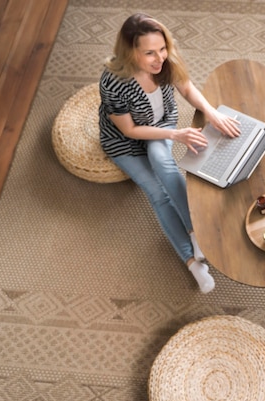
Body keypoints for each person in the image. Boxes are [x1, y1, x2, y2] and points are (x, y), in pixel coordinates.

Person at [98, 13, 240, 293]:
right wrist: (176, 135)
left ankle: (195, 231)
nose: (159, 58)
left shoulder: (166, 60)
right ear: (129, 52)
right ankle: (192, 263)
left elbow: (185, 87)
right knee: (156, 193)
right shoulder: (112, 82)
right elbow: (128, 130)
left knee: (164, 163)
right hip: (124, 140)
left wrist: (210, 113)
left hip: (160, 124)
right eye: (149, 52)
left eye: (162, 49)